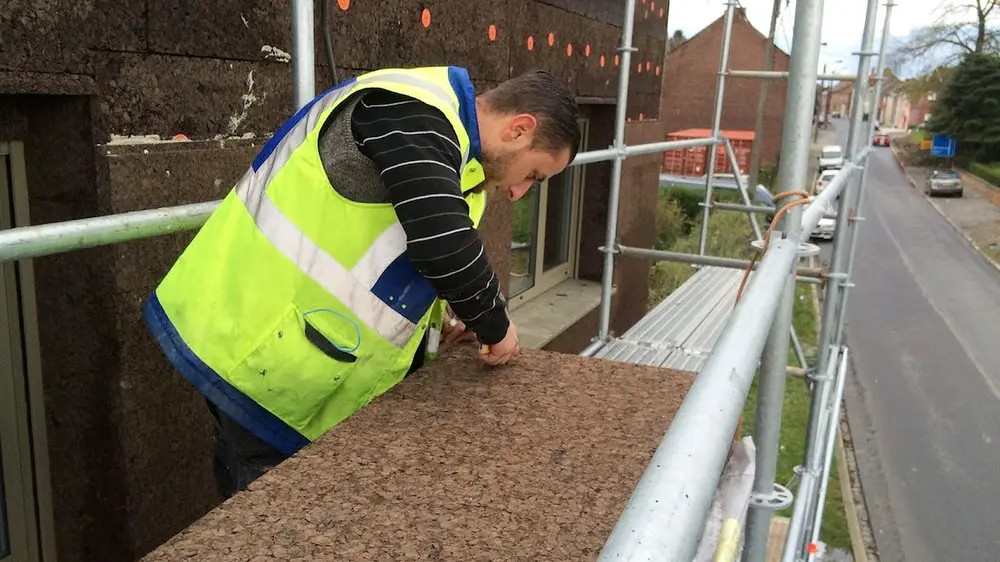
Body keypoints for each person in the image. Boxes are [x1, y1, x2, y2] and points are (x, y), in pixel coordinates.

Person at [142, 66, 580, 498]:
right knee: (268, 516)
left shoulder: (453, 154)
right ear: (519, 129)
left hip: (277, 350)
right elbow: (443, 246)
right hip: (254, 344)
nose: (521, 192)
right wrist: (495, 324)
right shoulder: (412, 111)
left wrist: (443, 313)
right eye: (533, 175)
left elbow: (387, 249)